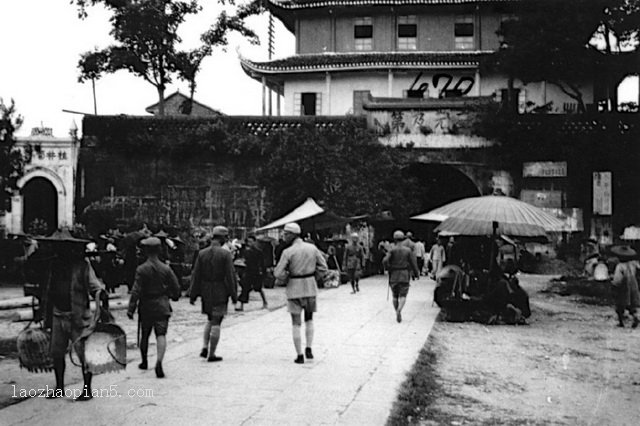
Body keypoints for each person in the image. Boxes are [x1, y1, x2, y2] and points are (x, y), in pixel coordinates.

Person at [41, 229, 106, 401]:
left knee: (83, 355)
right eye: (57, 247)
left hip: (77, 316)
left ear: (70, 248)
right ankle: (59, 387)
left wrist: (100, 302)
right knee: (56, 353)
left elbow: (96, 287)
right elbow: (48, 291)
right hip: (57, 314)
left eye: (63, 247)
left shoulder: (82, 265)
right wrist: (44, 315)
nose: (59, 250)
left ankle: (87, 389)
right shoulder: (52, 265)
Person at [274, 222, 328, 364]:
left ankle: (299, 355)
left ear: (292, 235)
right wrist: (313, 277)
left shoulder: (288, 252)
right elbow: (323, 267)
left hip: (294, 288)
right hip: (310, 287)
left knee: (296, 323)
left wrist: (287, 278)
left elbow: (277, 272)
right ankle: (309, 348)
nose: (284, 236)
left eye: (286, 234)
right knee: (309, 319)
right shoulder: (312, 248)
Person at [127, 237, 181, 378]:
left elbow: (136, 290)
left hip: (146, 306)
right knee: (161, 334)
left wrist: (131, 308)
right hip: (162, 304)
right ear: (159, 250)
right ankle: (159, 361)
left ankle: (144, 361)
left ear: (145, 251)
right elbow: (176, 289)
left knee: (145, 334)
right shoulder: (166, 269)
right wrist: (173, 296)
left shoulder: (141, 269)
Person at [189, 226, 238, 362]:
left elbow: (196, 275)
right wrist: (234, 295)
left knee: (210, 318)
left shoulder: (202, 253)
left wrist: (193, 294)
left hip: (206, 290)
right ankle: (212, 353)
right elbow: (230, 276)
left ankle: (204, 345)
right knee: (217, 321)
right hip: (220, 290)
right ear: (222, 238)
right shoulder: (225, 254)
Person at [383, 230, 419, 323]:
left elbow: (385, 260)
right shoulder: (408, 250)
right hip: (404, 274)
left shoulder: (392, 250)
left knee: (395, 296)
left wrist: (388, 268)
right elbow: (413, 263)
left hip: (394, 275)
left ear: (394, 239)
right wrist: (416, 273)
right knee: (403, 295)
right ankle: (400, 309)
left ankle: (396, 311)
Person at [610, 245, 640, 328]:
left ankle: (621, 322)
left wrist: (614, 284)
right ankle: (635, 317)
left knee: (620, 305)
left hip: (623, 287)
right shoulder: (633, 264)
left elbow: (617, 279)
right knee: (631, 304)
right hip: (633, 285)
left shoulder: (620, 266)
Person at [236, 235, 268, 311]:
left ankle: (265, 302)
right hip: (248, 272)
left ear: (254, 242)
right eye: (248, 241)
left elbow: (262, 263)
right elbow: (242, 260)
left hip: (256, 272)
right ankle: (241, 305)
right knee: (245, 288)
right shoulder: (245, 251)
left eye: (251, 241)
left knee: (259, 288)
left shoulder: (258, 252)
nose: (250, 243)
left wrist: (263, 272)